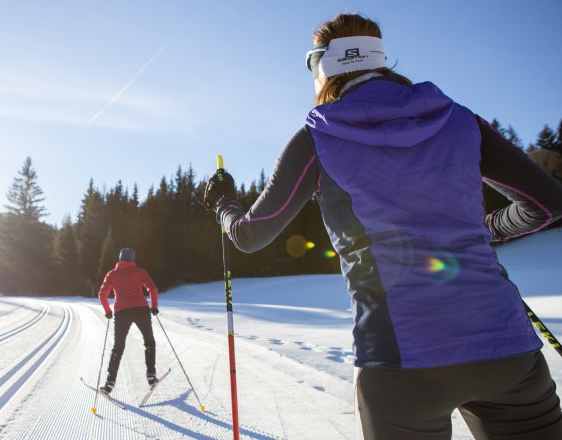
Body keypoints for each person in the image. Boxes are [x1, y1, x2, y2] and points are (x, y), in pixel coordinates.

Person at [204, 13, 562, 440]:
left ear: (323, 67)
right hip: (508, 351)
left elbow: (250, 234)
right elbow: (548, 204)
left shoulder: (319, 136)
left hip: (402, 362)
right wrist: (487, 228)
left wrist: (223, 203)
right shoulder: (460, 120)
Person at [98, 247, 160, 394]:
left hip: (122, 312)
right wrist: (154, 306)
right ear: (133, 259)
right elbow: (153, 288)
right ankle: (151, 375)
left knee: (118, 347)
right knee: (149, 341)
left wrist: (107, 311)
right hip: (141, 310)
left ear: (120, 259)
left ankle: (109, 383)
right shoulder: (140, 272)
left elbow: (102, 294)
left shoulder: (112, 274)